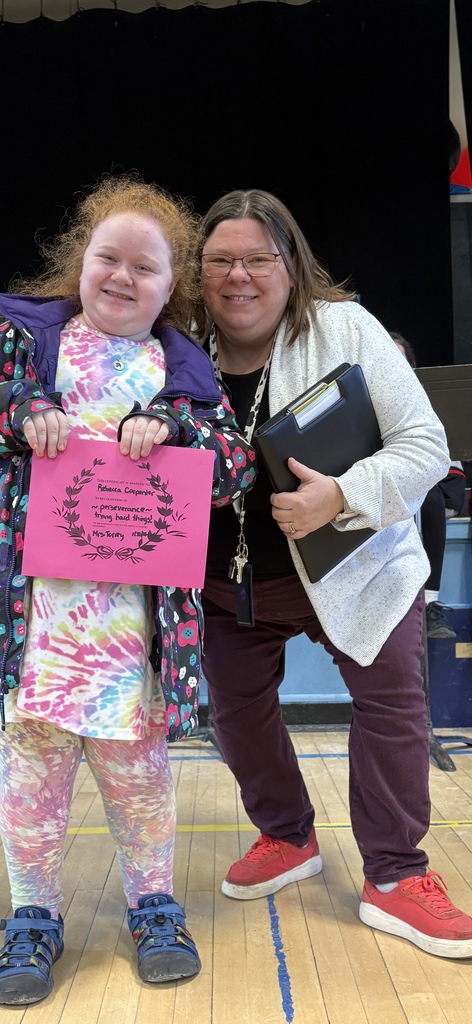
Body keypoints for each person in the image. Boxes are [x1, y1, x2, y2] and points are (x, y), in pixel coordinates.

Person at [0, 176, 255, 1005]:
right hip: (31, 633)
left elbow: (235, 465)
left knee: (142, 785)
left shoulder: (186, 373)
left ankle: (154, 907)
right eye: (108, 257)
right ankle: (33, 916)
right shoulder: (25, 343)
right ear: (81, 260)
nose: (121, 276)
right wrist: (16, 409)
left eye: (145, 267)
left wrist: (178, 428)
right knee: (30, 788)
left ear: (171, 286)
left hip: (133, 639)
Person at [196, 187, 472, 960]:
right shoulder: (175, 344)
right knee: (237, 718)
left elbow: (425, 446)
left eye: (258, 259)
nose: (238, 276)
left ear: (292, 264)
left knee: (392, 710)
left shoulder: (346, 328)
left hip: (356, 567)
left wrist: (341, 496)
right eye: (220, 260)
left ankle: (396, 874)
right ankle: (287, 836)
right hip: (227, 584)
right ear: (197, 270)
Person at [390, 331, 466, 639]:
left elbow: (450, 470)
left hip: (423, 495)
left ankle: (430, 602)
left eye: (400, 362)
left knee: (431, 497)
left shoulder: (430, 408)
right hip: (379, 494)